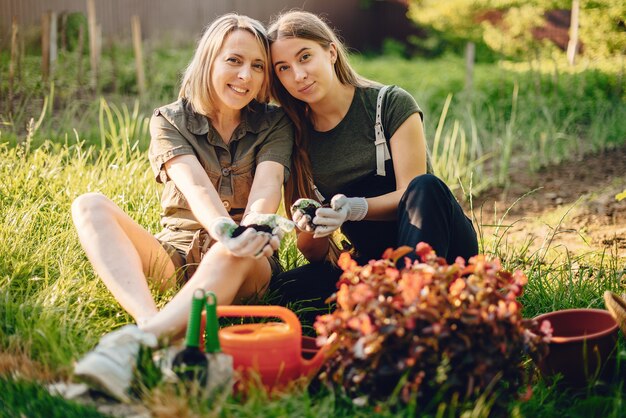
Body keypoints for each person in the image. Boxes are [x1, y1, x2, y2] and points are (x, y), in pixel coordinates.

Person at [71, 14, 293, 402]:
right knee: (89, 205)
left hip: (246, 264)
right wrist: (223, 228)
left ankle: (135, 346)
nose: (246, 75)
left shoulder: (275, 123)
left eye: (258, 66)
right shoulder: (170, 120)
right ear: (209, 59)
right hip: (177, 256)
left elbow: (268, 186)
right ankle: (150, 326)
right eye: (234, 60)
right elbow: (194, 186)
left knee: (231, 247)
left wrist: (248, 230)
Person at [266, 10, 478, 321]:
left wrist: (352, 209)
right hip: (375, 262)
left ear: (331, 52)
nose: (298, 75)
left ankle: (416, 308)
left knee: (426, 186)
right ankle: (387, 305)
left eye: (305, 57)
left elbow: (414, 193)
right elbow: (313, 253)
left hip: (437, 248)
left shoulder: (388, 103)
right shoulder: (294, 135)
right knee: (283, 289)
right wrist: (315, 223)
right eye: (283, 68)